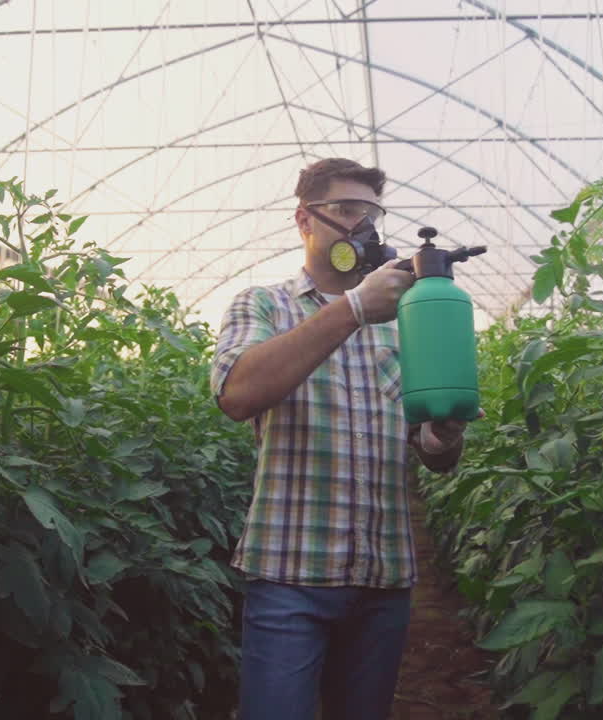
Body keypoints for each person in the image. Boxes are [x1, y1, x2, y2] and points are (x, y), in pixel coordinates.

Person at [210, 157, 470, 720]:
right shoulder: (264, 305)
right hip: (290, 575)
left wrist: (442, 436)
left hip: (383, 577)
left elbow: (428, 453)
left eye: (372, 213)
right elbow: (238, 394)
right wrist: (352, 309)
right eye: (346, 211)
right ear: (305, 220)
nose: (362, 227)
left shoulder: (404, 323)